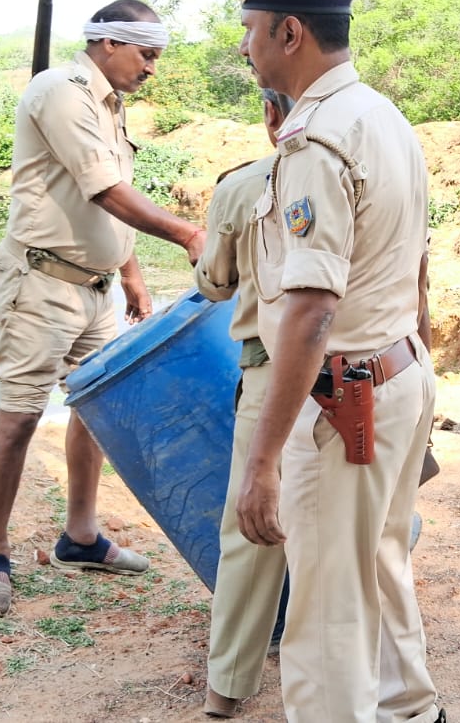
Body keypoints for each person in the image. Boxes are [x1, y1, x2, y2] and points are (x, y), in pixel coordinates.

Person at [230, 0, 444, 723]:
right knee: (378, 572)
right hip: (396, 376)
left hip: (343, 401)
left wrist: (262, 461)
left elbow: (312, 309)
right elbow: (416, 265)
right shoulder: (383, 117)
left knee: (323, 616)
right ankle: (413, 713)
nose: (245, 47)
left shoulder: (316, 141)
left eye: (251, 30)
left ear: (291, 31)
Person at [0, 0, 207, 617]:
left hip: (96, 287)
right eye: (146, 54)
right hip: (41, 284)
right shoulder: (62, 91)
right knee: (20, 418)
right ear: (108, 42)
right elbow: (104, 187)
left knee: (98, 410)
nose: (152, 68)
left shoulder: (109, 102)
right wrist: (189, 235)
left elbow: (101, 198)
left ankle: (80, 536)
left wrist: (128, 270)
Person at [196, 88, 293, 718]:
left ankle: (225, 690)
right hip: (361, 378)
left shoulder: (242, 185)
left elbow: (215, 283)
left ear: (270, 115)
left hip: (268, 377)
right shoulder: (374, 168)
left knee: (251, 532)